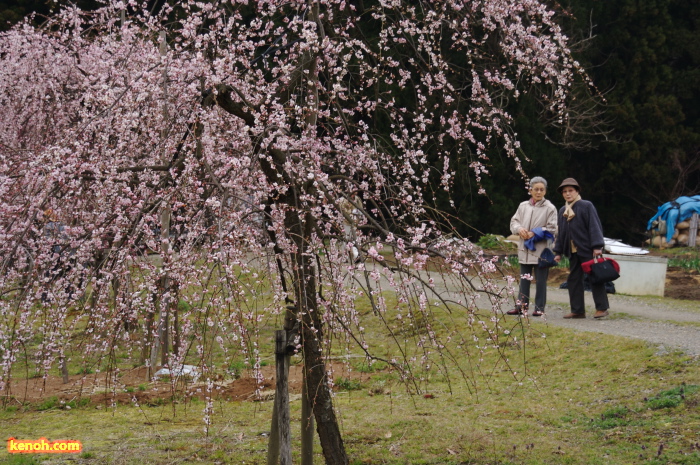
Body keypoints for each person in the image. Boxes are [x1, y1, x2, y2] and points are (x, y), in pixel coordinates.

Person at [552, 178, 610, 319]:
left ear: (577, 191)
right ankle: (578, 310)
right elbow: (561, 233)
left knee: (594, 277)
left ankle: (602, 308)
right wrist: (558, 251)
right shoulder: (562, 211)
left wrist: (597, 246)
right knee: (574, 279)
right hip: (572, 251)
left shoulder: (586, 206)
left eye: (570, 190)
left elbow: (594, 226)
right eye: (564, 191)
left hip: (587, 249)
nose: (567, 194)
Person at [507, 177, 558, 316]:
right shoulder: (523, 206)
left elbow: (553, 229)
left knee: (541, 281)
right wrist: (520, 230)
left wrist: (535, 232)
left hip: (542, 251)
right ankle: (521, 307)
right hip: (524, 249)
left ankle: (539, 308)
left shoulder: (550, 208)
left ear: (545, 191)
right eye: (536, 189)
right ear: (530, 190)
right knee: (524, 279)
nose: (539, 192)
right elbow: (514, 222)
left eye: (542, 189)